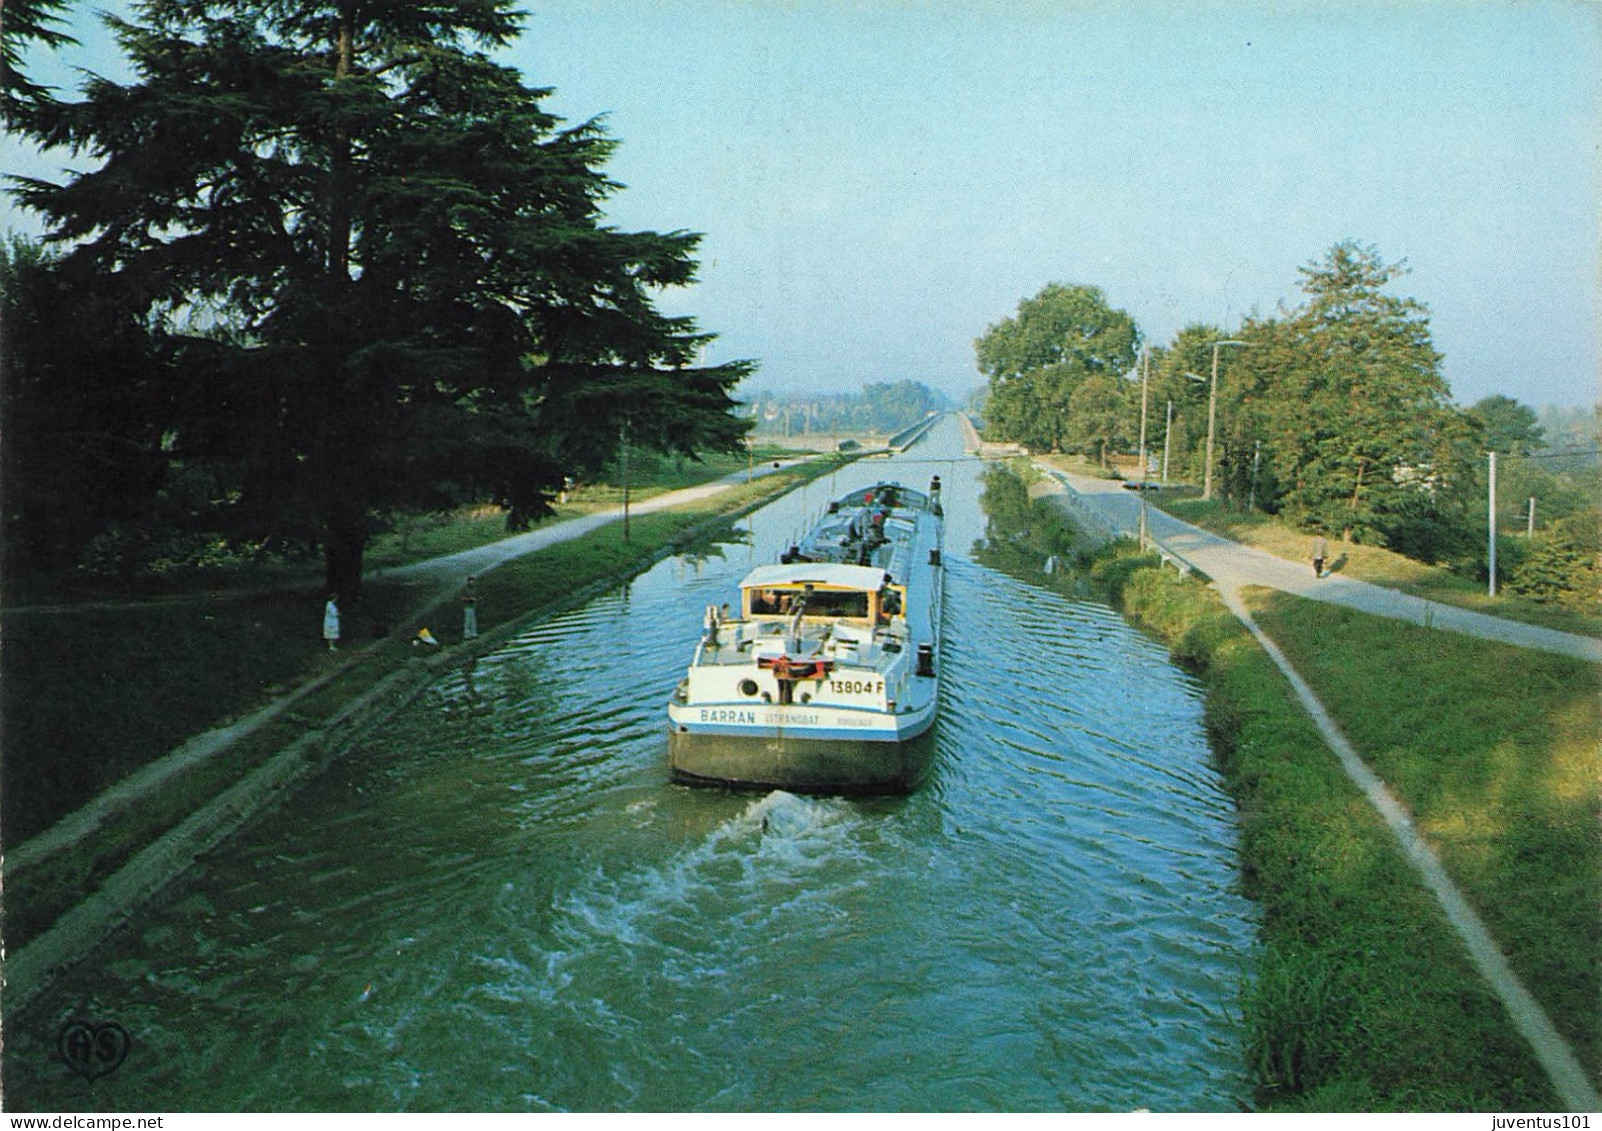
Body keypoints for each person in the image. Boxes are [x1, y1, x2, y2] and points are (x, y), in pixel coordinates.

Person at [461, 575, 479, 641]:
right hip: (467, 606)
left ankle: (473, 634)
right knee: (468, 621)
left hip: (472, 606)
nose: (472, 582)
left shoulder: (473, 589)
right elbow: (462, 598)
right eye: (471, 581)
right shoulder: (465, 589)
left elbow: (476, 596)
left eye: (473, 581)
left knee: (473, 620)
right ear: (468, 581)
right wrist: (469, 599)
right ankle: (467, 635)